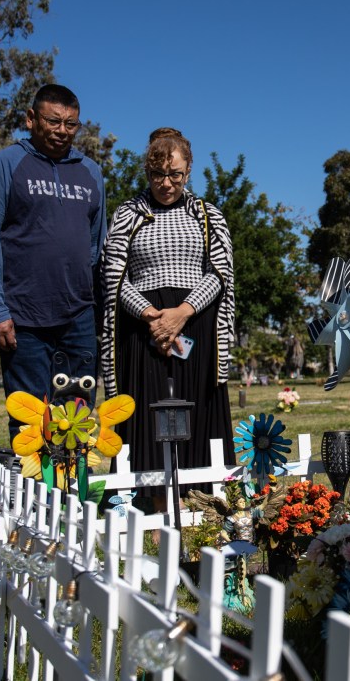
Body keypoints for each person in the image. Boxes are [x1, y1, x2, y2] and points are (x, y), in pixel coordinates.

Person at [100, 127, 235, 501]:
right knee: (147, 413)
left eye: (174, 174)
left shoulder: (209, 216)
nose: (166, 183)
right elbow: (113, 276)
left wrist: (181, 312)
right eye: (158, 174)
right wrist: (150, 315)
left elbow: (220, 272)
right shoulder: (128, 214)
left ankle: (202, 501)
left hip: (196, 323)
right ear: (147, 172)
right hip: (143, 330)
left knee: (196, 412)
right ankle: (150, 502)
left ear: (188, 171)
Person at [0, 84, 106, 440]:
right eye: (53, 121)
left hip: (78, 316)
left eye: (71, 124)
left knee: (77, 415)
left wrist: (96, 306)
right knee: (30, 417)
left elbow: (96, 246)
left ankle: (73, 492)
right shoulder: (6, 164)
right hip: (22, 316)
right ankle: (35, 494)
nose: (62, 131)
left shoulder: (91, 172)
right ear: (31, 119)